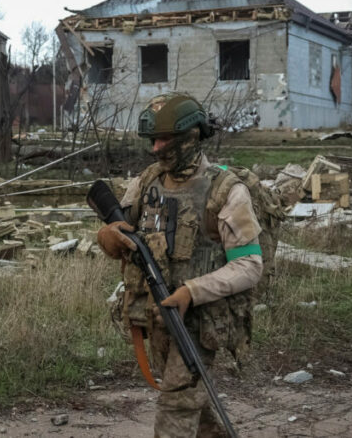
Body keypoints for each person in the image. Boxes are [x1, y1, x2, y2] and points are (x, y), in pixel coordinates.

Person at [96, 93, 263, 438]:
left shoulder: (225, 190)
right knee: (193, 408)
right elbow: (121, 233)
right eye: (152, 140)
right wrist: (108, 237)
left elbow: (249, 264)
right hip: (154, 315)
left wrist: (192, 291)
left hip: (200, 322)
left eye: (164, 140)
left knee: (175, 410)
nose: (155, 148)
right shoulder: (146, 183)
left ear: (190, 136)